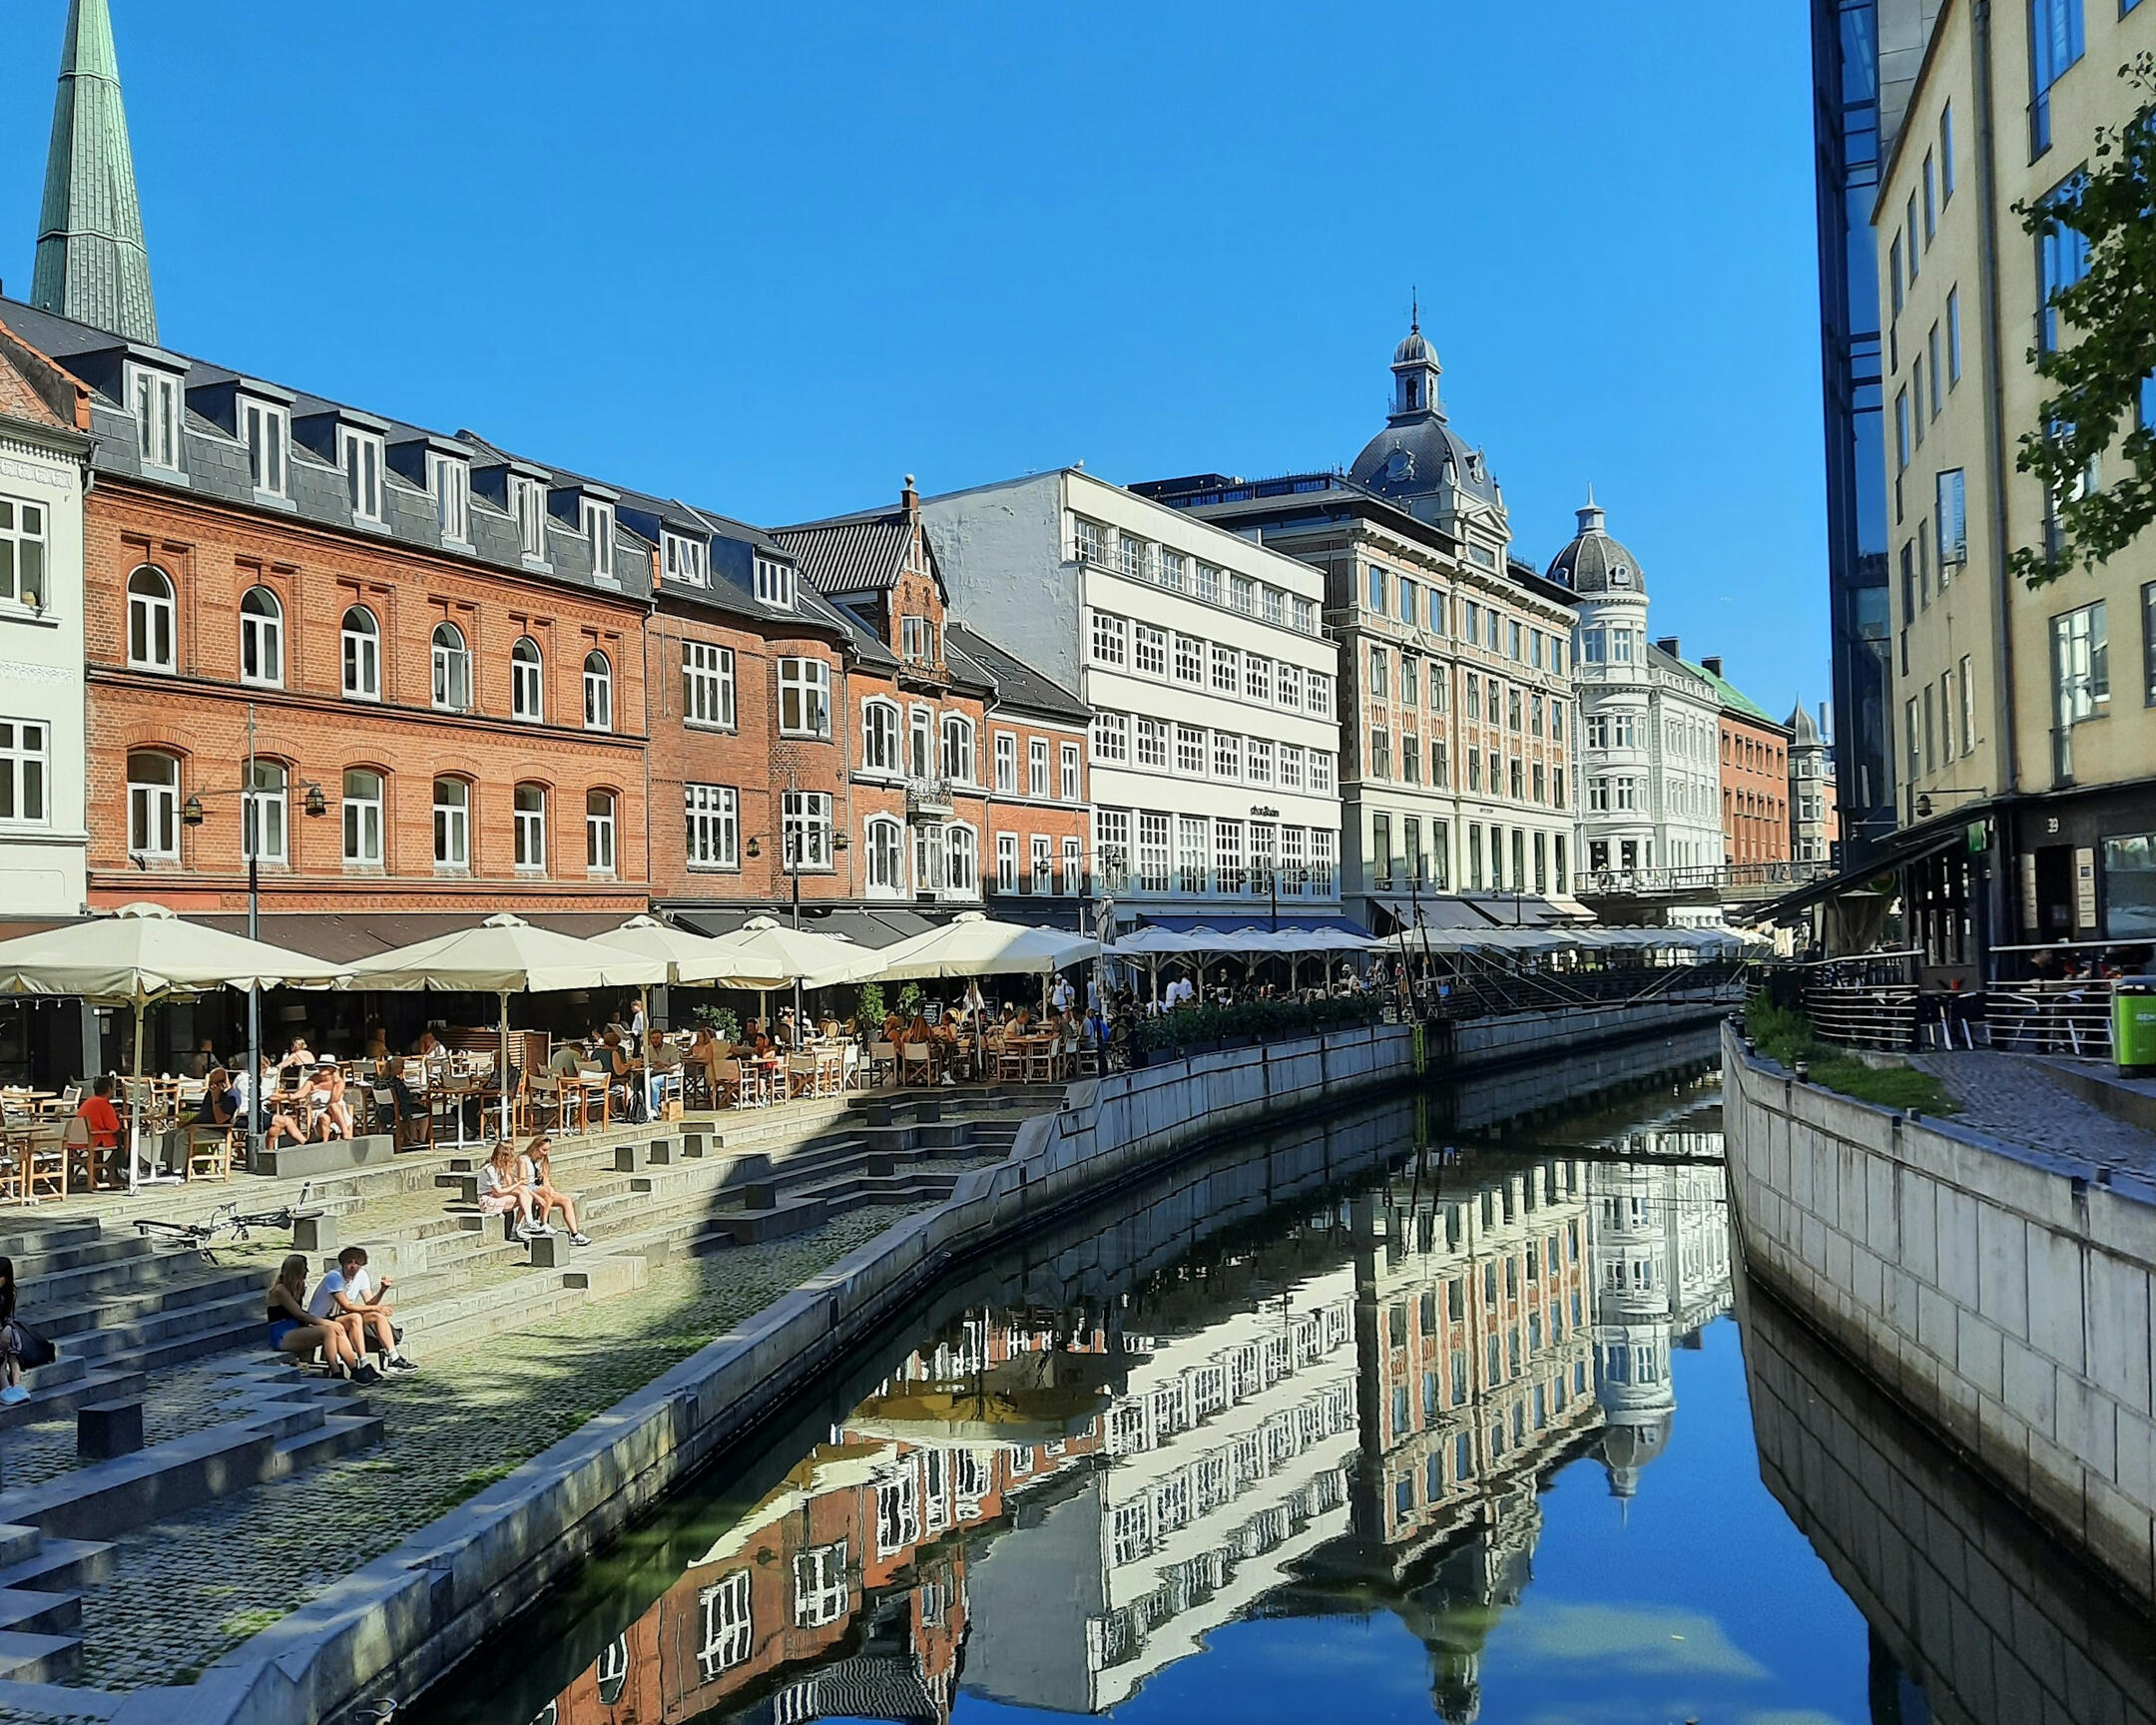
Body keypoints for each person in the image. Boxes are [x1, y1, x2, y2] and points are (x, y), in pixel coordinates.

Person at [268, 1254, 374, 1382]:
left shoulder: (299, 1288)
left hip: (297, 1328)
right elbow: (300, 1314)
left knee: (337, 1328)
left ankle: (355, 1370)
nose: (307, 1271)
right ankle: (336, 1371)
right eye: (305, 1268)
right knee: (328, 1330)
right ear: (296, 1269)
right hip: (282, 1333)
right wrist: (327, 1323)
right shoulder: (280, 1290)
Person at [308, 1246, 415, 1373]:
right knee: (355, 1317)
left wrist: (382, 1290)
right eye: (350, 1262)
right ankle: (363, 1361)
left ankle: (394, 1357)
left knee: (377, 1316)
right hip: (321, 1320)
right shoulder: (334, 1277)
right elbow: (346, 1305)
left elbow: (369, 1302)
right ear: (343, 1263)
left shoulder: (362, 1275)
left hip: (340, 1317)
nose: (353, 1266)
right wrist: (376, 1307)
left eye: (357, 1263)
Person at [518, 1137, 592, 1245]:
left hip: (541, 1190)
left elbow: (546, 1179)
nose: (545, 1153)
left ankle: (575, 1234)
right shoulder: (523, 1160)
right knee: (547, 1192)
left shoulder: (542, 1161)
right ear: (535, 1147)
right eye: (543, 1150)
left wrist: (549, 1188)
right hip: (528, 1190)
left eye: (547, 1150)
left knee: (566, 1200)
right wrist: (545, 1191)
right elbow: (523, 1183)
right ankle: (543, 1223)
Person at [477, 1141, 546, 1241]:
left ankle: (523, 1225)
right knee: (523, 1199)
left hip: (498, 1197)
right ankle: (522, 1226)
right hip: (487, 1199)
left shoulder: (500, 1169)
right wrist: (518, 1183)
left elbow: (511, 1186)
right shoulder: (490, 1169)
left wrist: (507, 1173)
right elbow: (498, 1192)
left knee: (525, 1197)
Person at [76, 1075, 123, 1161]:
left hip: (80, 1139)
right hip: (95, 1139)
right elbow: (114, 1127)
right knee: (124, 1138)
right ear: (109, 1089)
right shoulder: (104, 1104)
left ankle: (99, 1168)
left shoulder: (88, 1101)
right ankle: (117, 1167)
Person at [0, 1257, 25, 1406]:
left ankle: (16, 1386)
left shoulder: (10, 1294)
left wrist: (7, 1328)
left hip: (4, 1328)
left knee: (12, 1351)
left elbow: (9, 1316)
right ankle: (4, 1389)